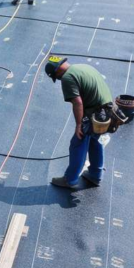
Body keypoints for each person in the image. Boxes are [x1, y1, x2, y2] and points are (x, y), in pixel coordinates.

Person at [46, 56, 113, 190]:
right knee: (94, 141)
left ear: (57, 71)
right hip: (107, 111)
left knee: (78, 142)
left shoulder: (67, 77)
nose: (58, 80)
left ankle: (70, 179)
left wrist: (78, 125)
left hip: (95, 113)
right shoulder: (83, 67)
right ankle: (95, 175)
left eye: (56, 77)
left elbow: (77, 102)